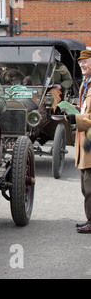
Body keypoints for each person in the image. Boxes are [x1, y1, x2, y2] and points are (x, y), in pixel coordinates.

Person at [65, 49, 91, 233]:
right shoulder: (86, 84)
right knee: (85, 186)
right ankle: (90, 218)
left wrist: (78, 119)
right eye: (81, 62)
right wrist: (73, 112)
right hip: (85, 142)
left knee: (89, 186)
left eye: (86, 62)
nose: (82, 65)